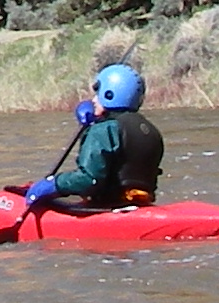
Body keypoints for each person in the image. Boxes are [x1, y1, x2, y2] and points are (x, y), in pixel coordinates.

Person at [24, 63, 162, 211]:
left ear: (110, 94)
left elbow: (89, 180)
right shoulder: (151, 130)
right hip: (140, 206)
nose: (94, 100)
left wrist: (55, 184)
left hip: (106, 208)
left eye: (98, 94)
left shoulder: (102, 130)